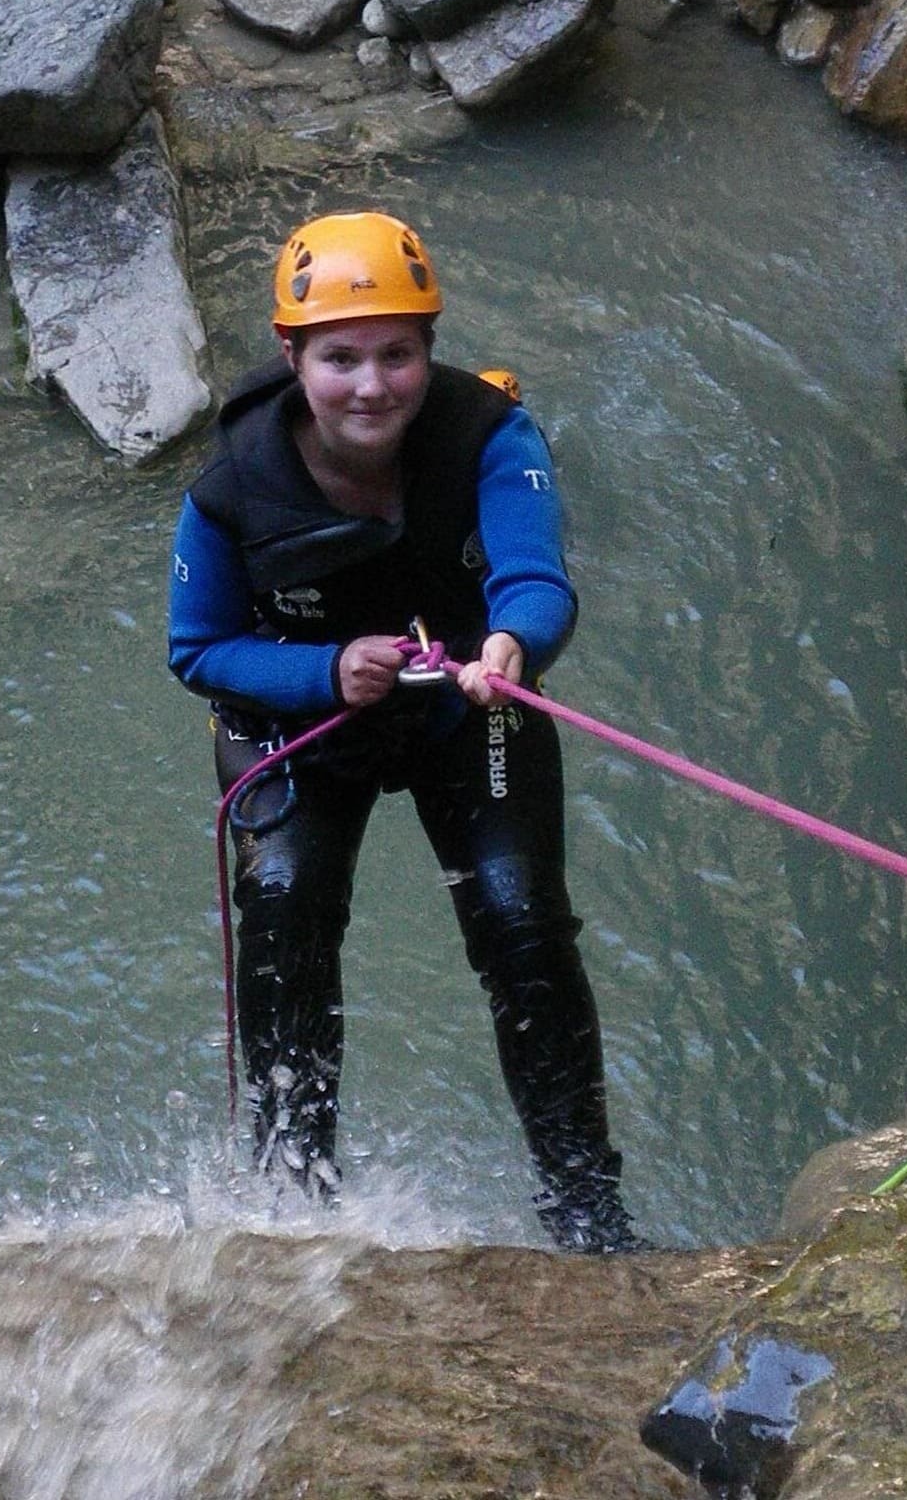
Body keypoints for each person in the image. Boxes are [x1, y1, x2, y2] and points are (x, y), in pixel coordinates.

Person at [167, 212, 641, 1254]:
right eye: (341, 358)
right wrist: (324, 672)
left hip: (460, 699)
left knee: (523, 923)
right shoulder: (231, 488)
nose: (371, 385)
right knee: (285, 919)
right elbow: (197, 650)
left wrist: (516, 645)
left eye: (398, 355)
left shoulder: (489, 435)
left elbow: (533, 577)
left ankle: (584, 1208)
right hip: (297, 719)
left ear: (430, 350)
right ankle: (296, 1199)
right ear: (294, 359)